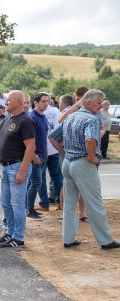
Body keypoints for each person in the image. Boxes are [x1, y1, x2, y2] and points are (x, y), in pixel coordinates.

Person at [48, 89, 119, 250]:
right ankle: (106, 241)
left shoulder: (71, 116)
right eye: (98, 103)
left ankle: (68, 239)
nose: (100, 106)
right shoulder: (91, 119)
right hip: (82, 164)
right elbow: (90, 140)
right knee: (94, 203)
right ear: (88, 102)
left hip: (68, 163)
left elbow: (52, 136)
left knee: (69, 204)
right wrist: (92, 156)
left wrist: (64, 153)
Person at [0, 91, 37, 248]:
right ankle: (10, 232)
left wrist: (22, 171)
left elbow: (30, 147)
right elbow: (1, 143)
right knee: (6, 203)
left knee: (17, 205)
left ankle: (18, 237)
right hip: (6, 167)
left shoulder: (26, 120)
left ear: (18, 102)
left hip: (18, 166)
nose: (5, 102)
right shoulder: (6, 119)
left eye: (8, 100)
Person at [26, 92, 49, 219]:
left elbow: (43, 136)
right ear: (36, 102)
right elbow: (29, 139)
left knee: (33, 182)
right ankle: (29, 210)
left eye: (47, 101)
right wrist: (33, 155)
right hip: (35, 155)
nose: (46, 104)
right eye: (43, 101)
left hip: (43, 154)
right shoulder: (31, 117)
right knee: (36, 182)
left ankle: (27, 207)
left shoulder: (43, 117)